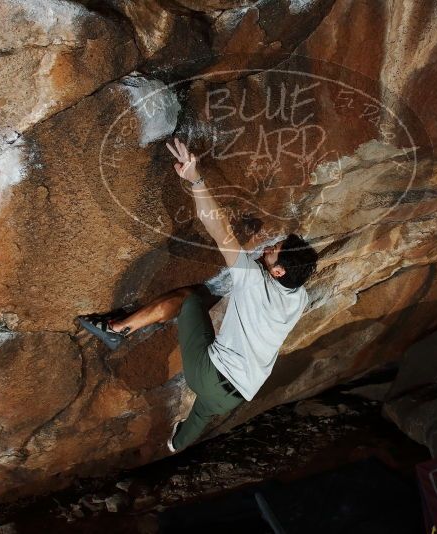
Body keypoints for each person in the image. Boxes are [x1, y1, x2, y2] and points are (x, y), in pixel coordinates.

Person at [79, 137, 317, 453]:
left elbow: (219, 230)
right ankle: (177, 443)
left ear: (278, 272)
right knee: (204, 410)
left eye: (275, 251)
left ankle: (117, 329)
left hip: (209, 374)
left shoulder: (253, 280)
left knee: (191, 298)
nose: (270, 247)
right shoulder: (298, 298)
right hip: (235, 396)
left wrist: (196, 179)